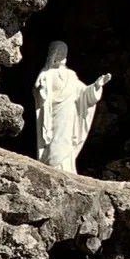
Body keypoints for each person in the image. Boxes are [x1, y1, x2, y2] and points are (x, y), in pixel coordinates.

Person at [33, 41, 108, 173]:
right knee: (54, 143)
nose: (61, 55)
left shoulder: (71, 75)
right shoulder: (47, 74)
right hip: (53, 115)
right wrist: (41, 88)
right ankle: (52, 166)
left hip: (69, 115)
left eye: (64, 53)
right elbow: (39, 92)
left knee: (66, 143)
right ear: (53, 54)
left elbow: (82, 92)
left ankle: (65, 169)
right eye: (59, 52)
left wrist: (96, 86)